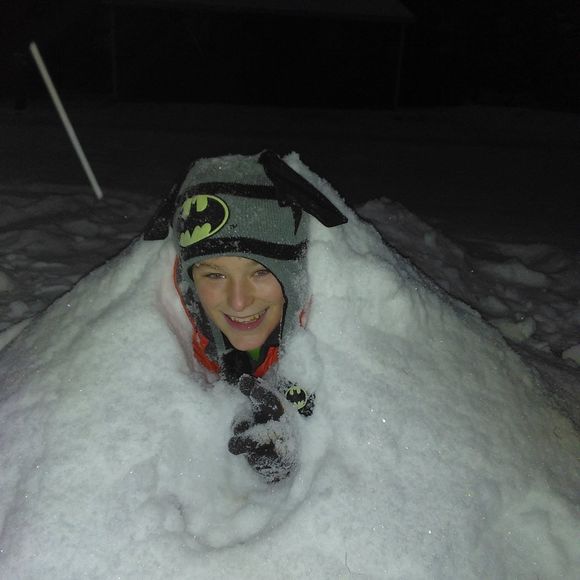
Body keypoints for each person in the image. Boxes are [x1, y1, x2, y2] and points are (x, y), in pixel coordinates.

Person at [145, 151, 347, 482]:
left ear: (296, 278)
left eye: (261, 272)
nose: (238, 302)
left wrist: (295, 460)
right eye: (214, 275)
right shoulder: (159, 344)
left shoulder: (343, 347)